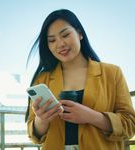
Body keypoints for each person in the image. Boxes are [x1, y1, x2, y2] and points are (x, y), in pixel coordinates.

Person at [25, 9, 135, 150]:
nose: (60, 44)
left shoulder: (112, 73)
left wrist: (92, 117)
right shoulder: (42, 79)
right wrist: (42, 120)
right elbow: (33, 134)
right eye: (52, 40)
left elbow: (130, 125)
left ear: (80, 33)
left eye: (65, 35)